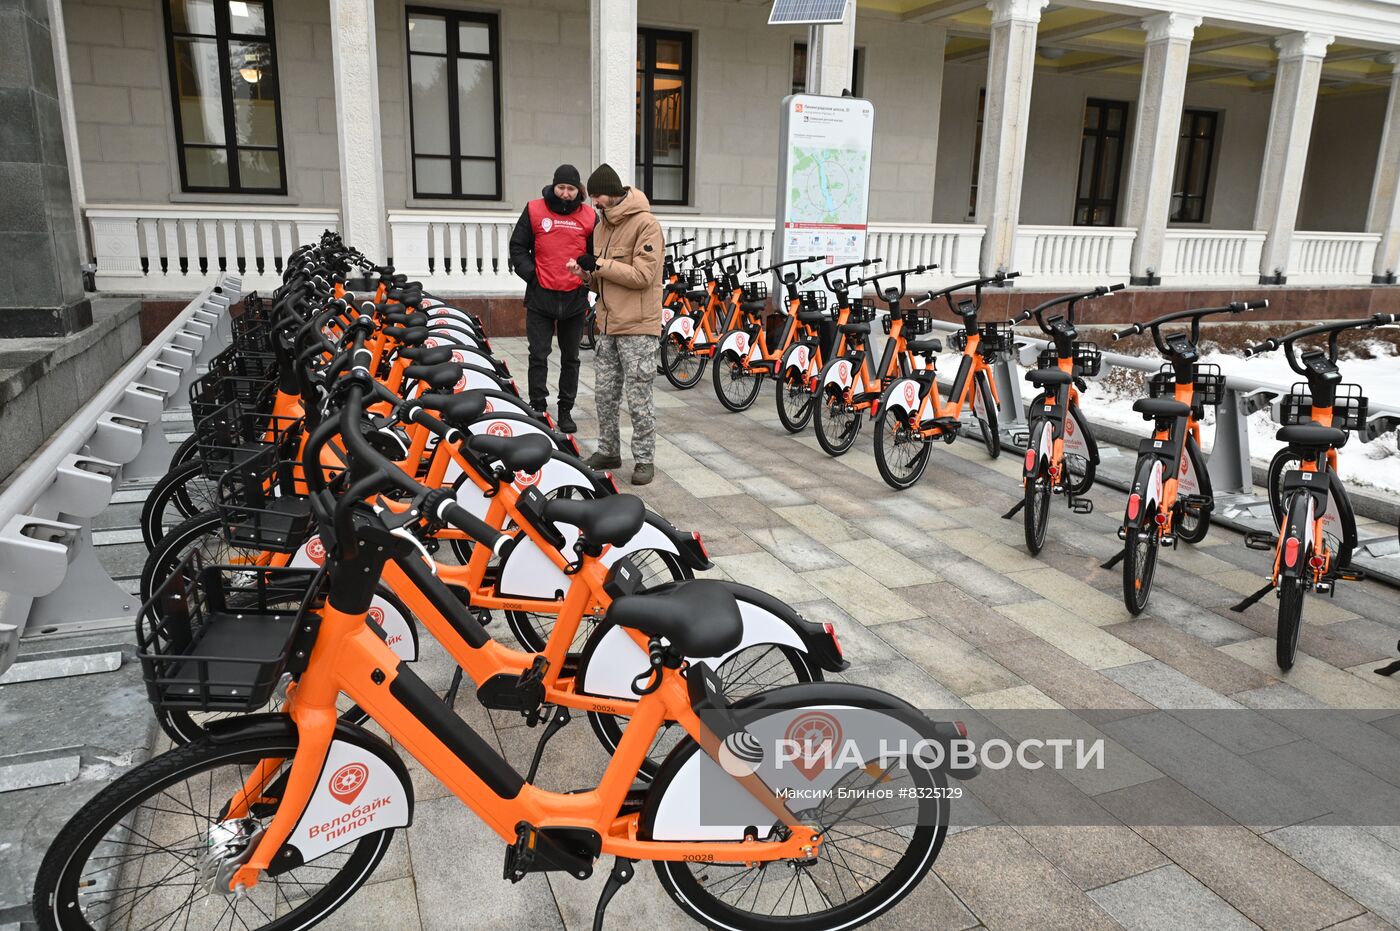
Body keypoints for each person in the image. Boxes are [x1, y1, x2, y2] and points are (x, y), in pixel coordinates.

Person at [566, 163, 664, 486]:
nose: (594, 203)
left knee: (639, 398)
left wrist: (601, 264)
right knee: (605, 395)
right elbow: (604, 281)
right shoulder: (601, 227)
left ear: (614, 193)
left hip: (638, 327)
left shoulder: (646, 225)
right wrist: (586, 276)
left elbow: (641, 276)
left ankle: (645, 460)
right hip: (607, 325)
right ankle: (609, 450)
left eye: (598, 196)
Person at [508, 164, 596, 434]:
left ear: (578, 190)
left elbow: (595, 253)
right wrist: (532, 276)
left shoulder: (590, 216)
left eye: (571, 189)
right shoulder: (535, 210)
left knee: (571, 358)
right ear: (554, 186)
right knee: (538, 355)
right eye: (561, 188)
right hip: (540, 297)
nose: (566, 193)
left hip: (574, 299)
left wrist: (586, 276)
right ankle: (537, 407)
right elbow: (517, 247)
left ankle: (566, 410)